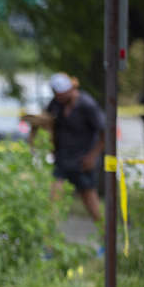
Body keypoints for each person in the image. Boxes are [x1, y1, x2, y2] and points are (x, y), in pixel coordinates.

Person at [46, 72, 106, 223]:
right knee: (54, 198)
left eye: (62, 95)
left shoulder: (87, 105)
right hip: (63, 159)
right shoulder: (56, 103)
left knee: (91, 203)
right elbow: (47, 120)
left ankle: (106, 239)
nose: (59, 98)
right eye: (56, 94)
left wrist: (93, 156)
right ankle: (49, 240)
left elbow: (104, 132)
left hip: (83, 161)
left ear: (71, 89)